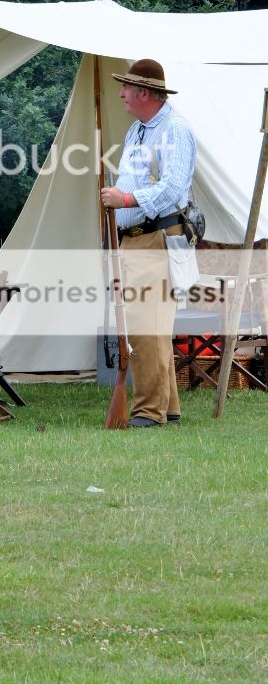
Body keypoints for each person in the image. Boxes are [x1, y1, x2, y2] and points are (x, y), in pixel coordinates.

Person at [101, 59, 196, 428]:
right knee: (148, 327)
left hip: (157, 237)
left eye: (126, 87)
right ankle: (168, 408)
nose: (121, 93)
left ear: (144, 92)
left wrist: (124, 201)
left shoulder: (174, 130)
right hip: (135, 240)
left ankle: (147, 412)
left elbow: (172, 188)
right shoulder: (136, 131)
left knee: (146, 329)